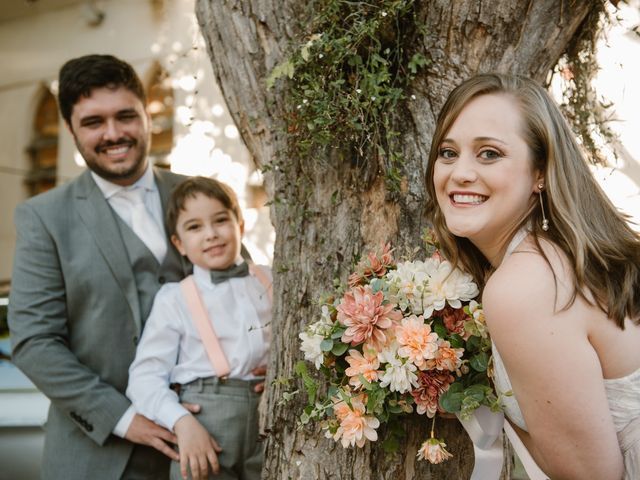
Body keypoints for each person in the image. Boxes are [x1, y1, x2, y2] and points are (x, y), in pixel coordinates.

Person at [425, 73, 640, 479]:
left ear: (540, 172)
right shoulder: (559, 256)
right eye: (448, 152)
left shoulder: (525, 285)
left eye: (489, 154)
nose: (460, 173)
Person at [8, 54, 193, 479]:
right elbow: (35, 342)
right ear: (71, 130)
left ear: (147, 116)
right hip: (100, 457)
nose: (114, 134)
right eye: (93, 122)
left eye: (126, 116)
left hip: (208, 445)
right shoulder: (44, 218)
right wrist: (126, 420)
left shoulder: (198, 194)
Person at [126, 176, 271, 480]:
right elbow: (144, 378)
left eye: (220, 220)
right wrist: (180, 421)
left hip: (270, 419)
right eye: (194, 227)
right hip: (206, 425)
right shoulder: (175, 299)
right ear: (179, 244)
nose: (211, 235)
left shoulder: (273, 281)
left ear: (240, 226)